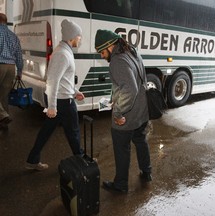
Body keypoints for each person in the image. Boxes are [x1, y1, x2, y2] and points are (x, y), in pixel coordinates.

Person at [94, 29, 152, 193]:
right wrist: (113, 99)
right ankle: (146, 172)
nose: (101, 55)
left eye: (101, 51)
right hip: (141, 112)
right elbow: (137, 82)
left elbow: (130, 90)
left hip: (127, 117)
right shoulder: (132, 52)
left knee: (122, 149)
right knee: (141, 141)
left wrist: (118, 112)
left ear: (109, 46)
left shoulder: (117, 61)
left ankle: (120, 185)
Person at [26, 19, 85, 171]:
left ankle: (32, 160)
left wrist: (75, 92)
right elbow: (52, 81)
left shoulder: (65, 51)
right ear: (72, 36)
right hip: (62, 101)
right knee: (73, 131)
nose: (80, 39)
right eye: (79, 36)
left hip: (62, 98)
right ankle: (80, 159)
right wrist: (52, 106)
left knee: (47, 131)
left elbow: (64, 79)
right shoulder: (62, 54)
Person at [0, 13, 23, 130]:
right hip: (11, 68)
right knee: (4, 95)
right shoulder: (13, 36)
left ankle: (3, 115)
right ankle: (3, 123)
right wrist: (19, 72)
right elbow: (19, 55)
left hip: (1, 65)